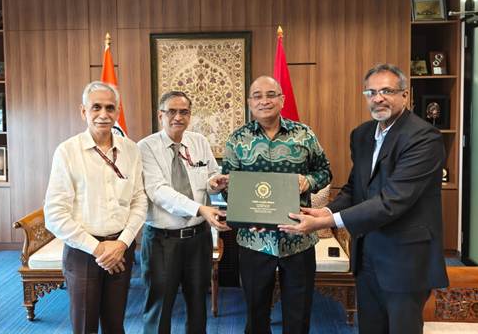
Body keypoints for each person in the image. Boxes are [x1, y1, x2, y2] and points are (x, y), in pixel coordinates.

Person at [280, 64, 449, 334]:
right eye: (371, 92)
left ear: (405, 95)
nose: (378, 98)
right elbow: (355, 189)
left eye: (387, 91)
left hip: (404, 260)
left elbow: (392, 201)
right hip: (366, 255)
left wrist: (330, 221)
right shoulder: (362, 135)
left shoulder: (423, 138)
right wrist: (326, 212)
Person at [214, 76, 332, 334]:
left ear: (282, 99)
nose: (264, 101)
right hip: (254, 241)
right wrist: (242, 210)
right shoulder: (237, 139)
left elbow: (325, 171)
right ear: (249, 102)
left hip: (298, 239)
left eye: (271, 95)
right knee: (256, 316)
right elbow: (229, 187)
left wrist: (309, 181)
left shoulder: (304, 134)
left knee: (298, 315)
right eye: (257, 96)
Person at [44, 81, 147, 334]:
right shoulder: (67, 152)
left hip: (121, 249)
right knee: (85, 327)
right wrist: (99, 249)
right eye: (96, 107)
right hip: (83, 252)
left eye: (110, 108)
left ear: (117, 112)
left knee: (115, 325)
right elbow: (54, 215)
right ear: (83, 111)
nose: (103, 114)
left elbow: (139, 201)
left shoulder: (131, 150)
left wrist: (121, 244)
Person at [137, 91, 230, 334]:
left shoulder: (199, 141)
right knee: (159, 306)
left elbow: (211, 174)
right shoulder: (146, 147)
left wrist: (214, 182)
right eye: (172, 111)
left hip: (198, 238)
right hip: (162, 241)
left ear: (190, 115)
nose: (178, 117)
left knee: (198, 303)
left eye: (184, 112)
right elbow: (158, 191)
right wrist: (199, 208)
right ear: (161, 115)